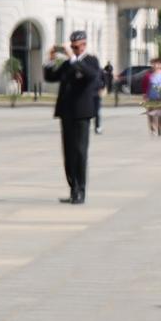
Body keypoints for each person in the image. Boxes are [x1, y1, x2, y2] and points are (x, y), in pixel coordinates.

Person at [45, 30, 104, 205]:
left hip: (82, 113)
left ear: (84, 45)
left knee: (80, 152)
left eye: (76, 47)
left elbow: (91, 75)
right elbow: (51, 77)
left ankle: (81, 191)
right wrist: (50, 59)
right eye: (72, 47)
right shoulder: (67, 64)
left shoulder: (91, 60)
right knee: (68, 153)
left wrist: (72, 58)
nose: (74, 49)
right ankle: (73, 189)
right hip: (66, 112)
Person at [145, 63, 161, 135]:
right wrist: (145, 96)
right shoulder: (149, 75)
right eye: (154, 64)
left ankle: (160, 128)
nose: (156, 66)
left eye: (158, 64)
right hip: (151, 96)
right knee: (151, 113)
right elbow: (145, 85)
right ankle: (152, 127)